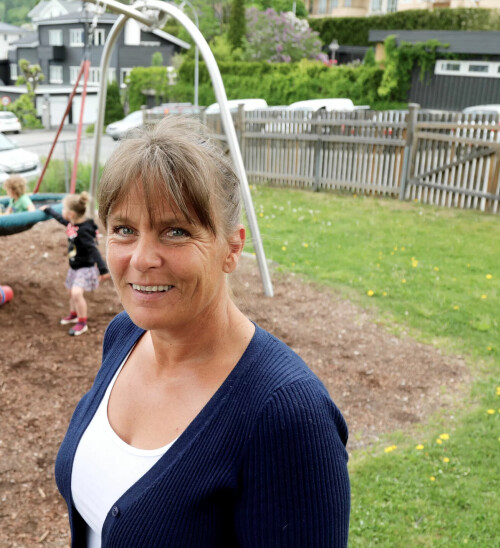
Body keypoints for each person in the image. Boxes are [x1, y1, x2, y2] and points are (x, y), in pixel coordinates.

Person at [54, 117, 350, 546]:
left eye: (175, 231)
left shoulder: (287, 416)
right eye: (124, 230)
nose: (142, 258)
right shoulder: (124, 336)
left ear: (232, 247)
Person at [42, 193, 109, 336]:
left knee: (76, 293)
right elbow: (61, 219)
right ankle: (73, 314)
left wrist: (103, 269)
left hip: (85, 268)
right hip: (74, 267)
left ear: (71, 214)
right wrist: (49, 210)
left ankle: (82, 322)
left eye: (63, 209)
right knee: (70, 291)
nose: (62, 211)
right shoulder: (73, 223)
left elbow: (93, 249)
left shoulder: (84, 230)